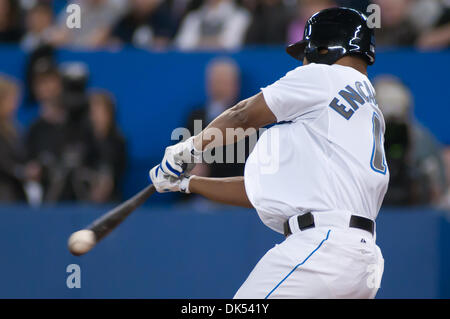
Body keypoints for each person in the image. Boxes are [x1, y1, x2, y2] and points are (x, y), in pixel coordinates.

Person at [149, 8, 388, 298]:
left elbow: (242, 116)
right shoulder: (361, 109)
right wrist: (187, 183)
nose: (303, 60)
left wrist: (189, 147)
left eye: (306, 51)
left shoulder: (325, 77)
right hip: (363, 261)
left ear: (324, 47)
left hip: (323, 247)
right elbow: (259, 191)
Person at [374, 75, 446, 206]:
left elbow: (437, 191)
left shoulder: (422, 139)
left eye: (398, 116)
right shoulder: (362, 139)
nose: (393, 127)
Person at [186, 57, 246, 179]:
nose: (220, 88)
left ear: (236, 86)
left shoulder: (245, 118)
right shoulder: (194, 115)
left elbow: (242, 158)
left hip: (228, 189)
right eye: (216, 82)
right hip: (194, 189)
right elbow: (181, 148)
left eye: (225, 83)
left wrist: (208, 167)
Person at [82, 91, 126, 203]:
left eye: (100, 112)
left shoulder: (118, 142)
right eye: (92, 112)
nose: (95, 117)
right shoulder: (82, 141)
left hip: (111, 201)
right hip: (81, 198)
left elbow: (115, 170)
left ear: (110, 114)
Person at [174, 0, 250, 50]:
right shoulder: (194, 17)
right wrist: (214, 42)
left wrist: (199, 42)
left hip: (223, 64)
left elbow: (231, 44)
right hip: (195, 64)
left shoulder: (239, 15)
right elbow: (182, 43)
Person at [0, 75, 27, 201]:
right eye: (11, 100)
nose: (14, 105)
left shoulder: (14, 129)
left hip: (15, 194)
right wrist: (21, 172)